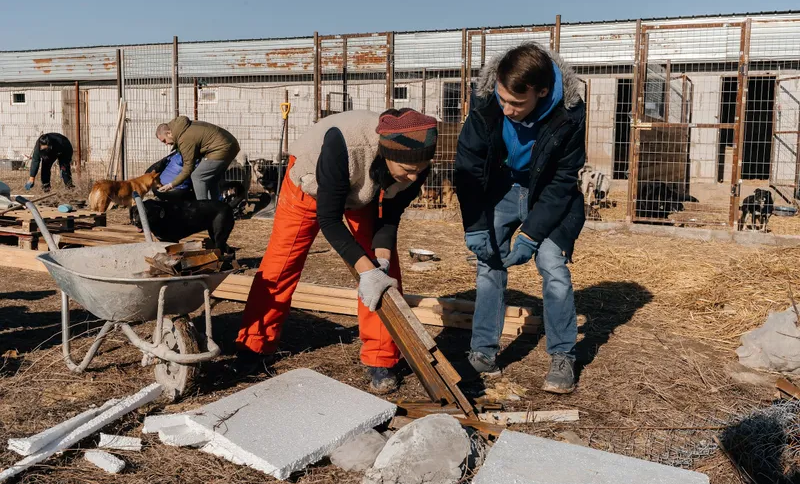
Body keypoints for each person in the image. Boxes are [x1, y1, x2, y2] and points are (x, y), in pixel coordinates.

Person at [235, 108, 438, 393]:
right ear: (388, 155)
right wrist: (364, 269)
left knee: (383, 272)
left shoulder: (415, 161)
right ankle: (253, 346)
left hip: (363, 190)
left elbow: (389, 217)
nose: (416, 178)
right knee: (281, 263)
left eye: (420, 169)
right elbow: (329, 220)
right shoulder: (344, 144)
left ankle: (382, 358)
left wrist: (379, 262)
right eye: (408, 171)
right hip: (310, 181)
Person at [455, 42, 586, 394]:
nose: (508, 109)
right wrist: (476, 223)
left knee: (551, 266)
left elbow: (562, 181)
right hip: (504, 188)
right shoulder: (485, 102)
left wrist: (530, 234)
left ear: (542, 92)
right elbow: (467, 164)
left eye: (517, 103)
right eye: (503, 100)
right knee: (488, 263)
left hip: (548, 195)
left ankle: (563, 355)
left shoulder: (569, 112)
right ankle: (483, 352)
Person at [155, 117, 240, 200]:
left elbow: (188, 168)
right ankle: (215, 208)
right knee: (211, 179)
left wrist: (171, 185)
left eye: (164, 140)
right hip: (229, 144)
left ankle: (202, 209)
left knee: (197, 176)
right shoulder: (181, 128)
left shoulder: (184, 139)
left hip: (222, 148)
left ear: (169, 133)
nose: (165, 144)